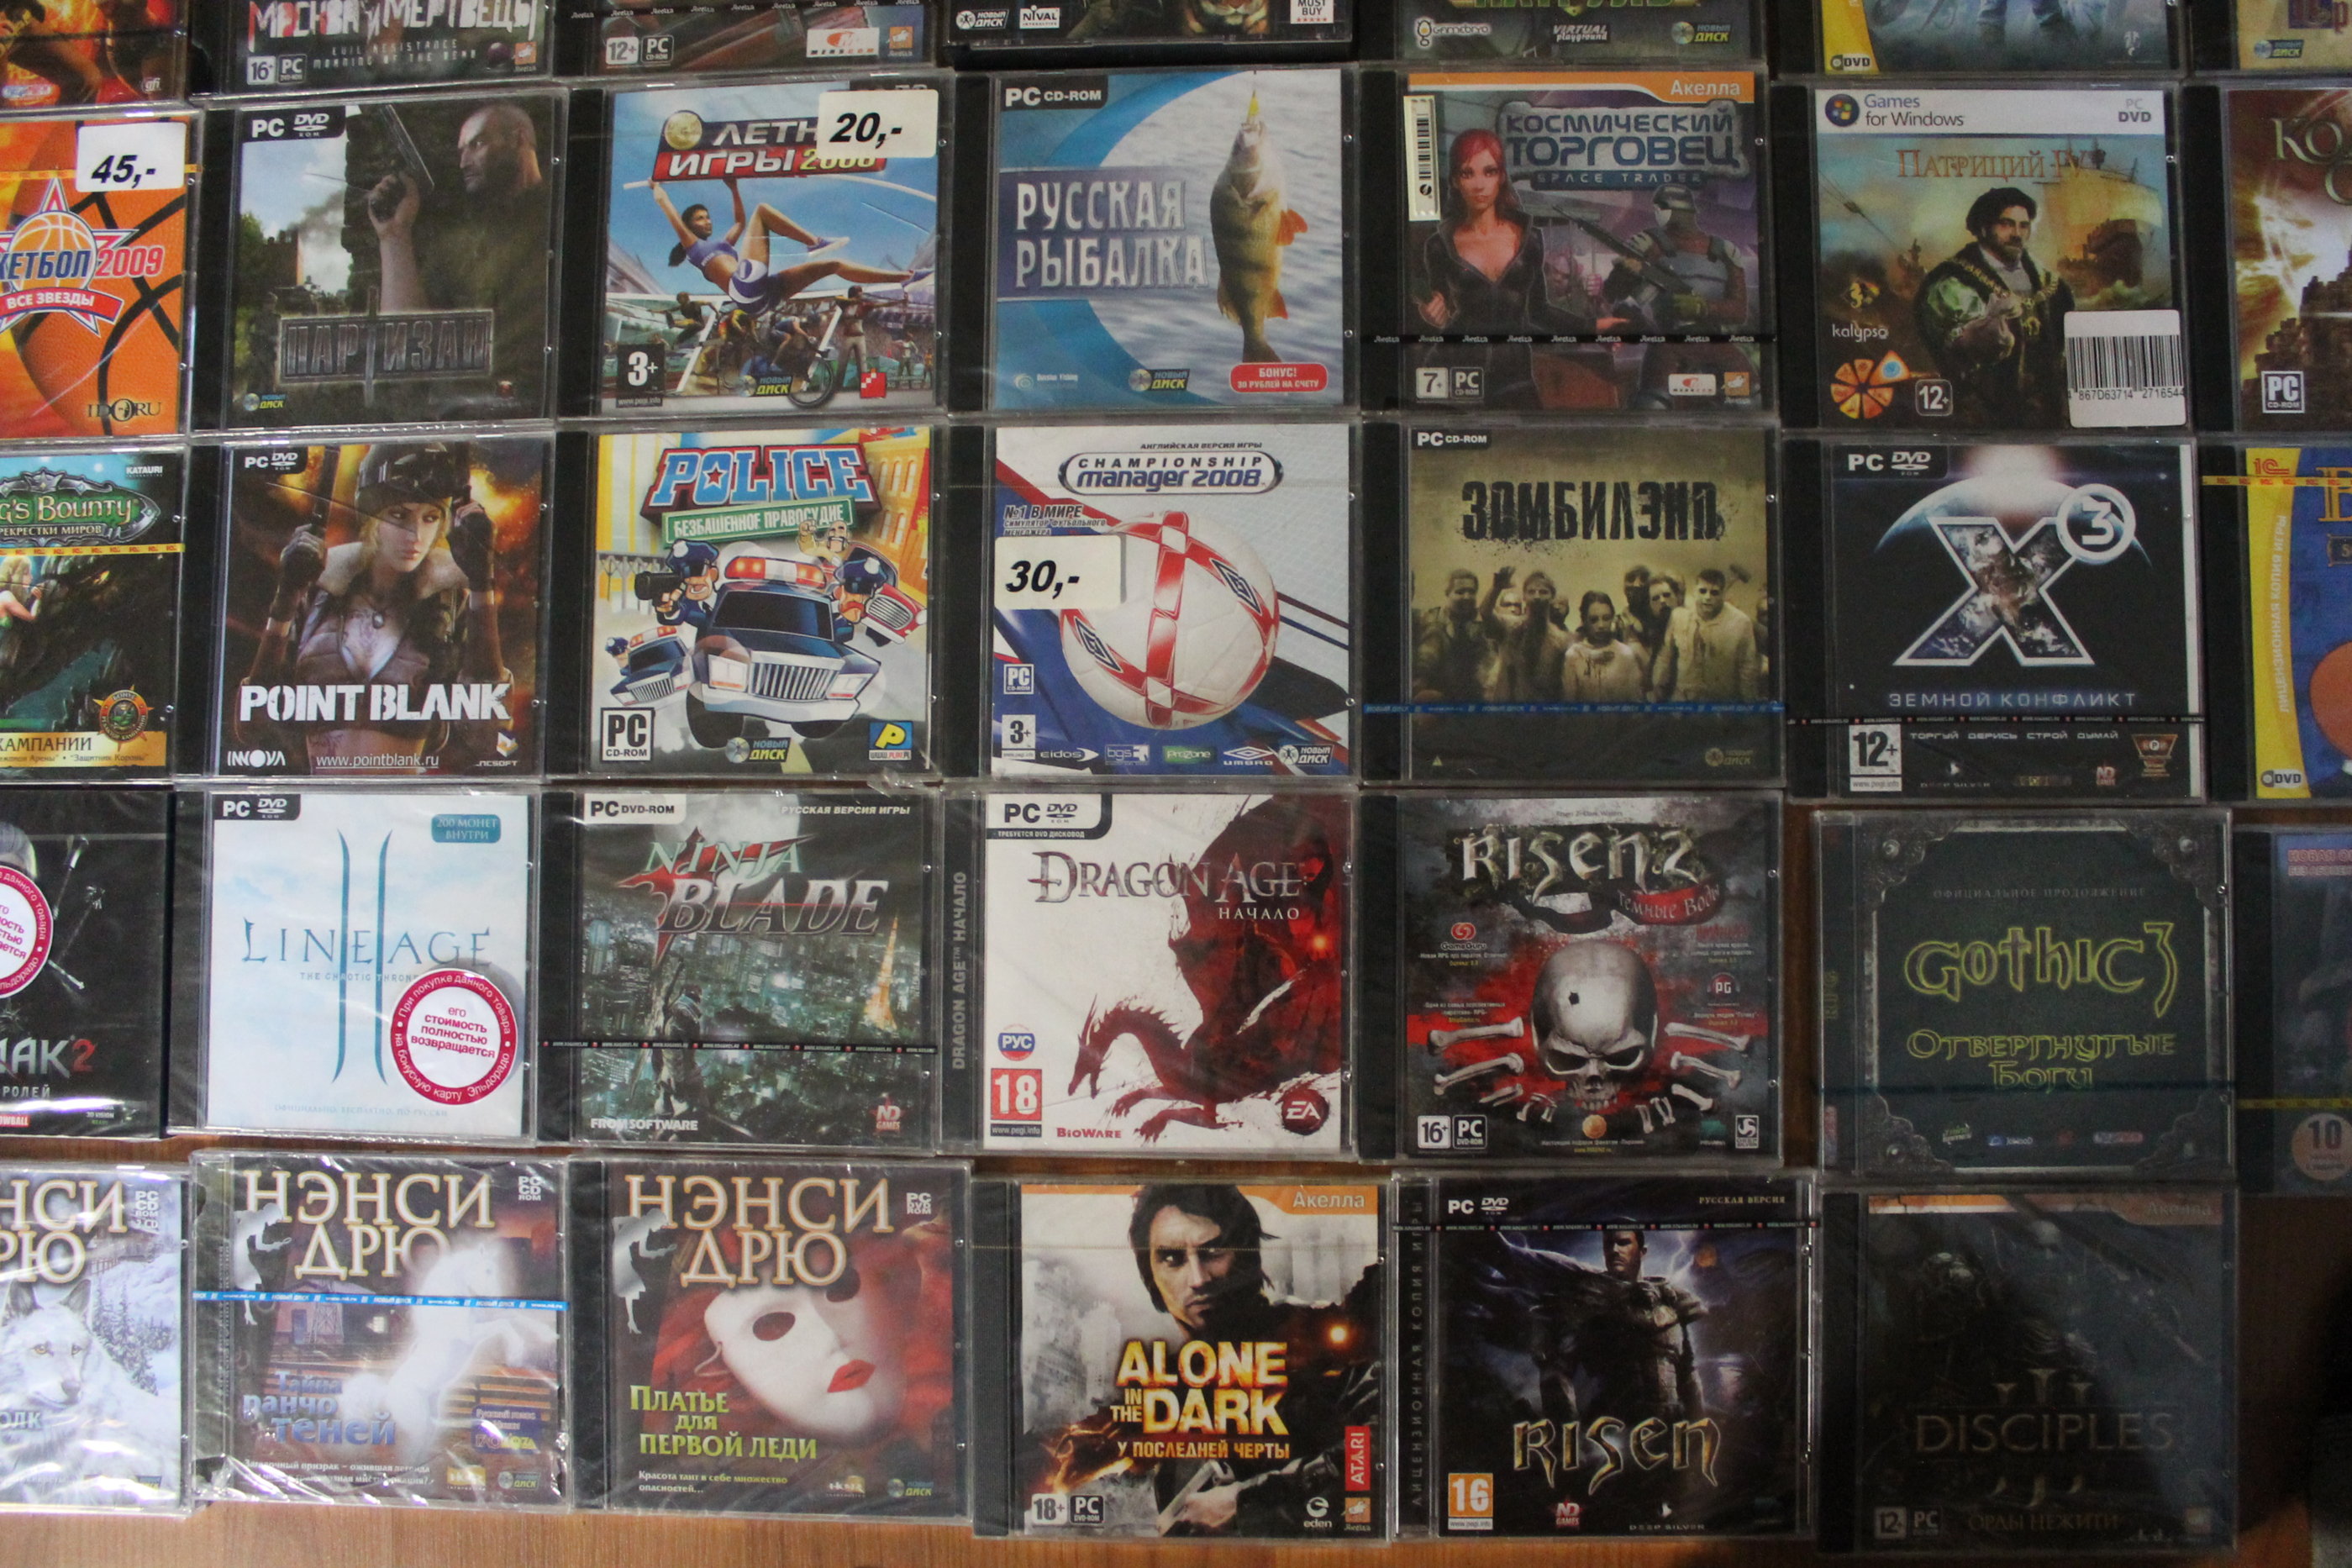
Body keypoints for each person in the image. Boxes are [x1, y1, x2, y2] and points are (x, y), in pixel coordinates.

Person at [239, 443, 513, 774]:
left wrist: (483, 584)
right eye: (399, 515)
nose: (415, 535)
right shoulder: (318, 592)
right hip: (319, 795)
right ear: (372, 518)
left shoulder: (450, 601)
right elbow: (253, 724)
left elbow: (486, 733)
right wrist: (285, 599)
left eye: (430, 518)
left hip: (404, 797)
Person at [1122, 1184, 1378, 1535]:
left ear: (1245, 1255)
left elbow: (1384, 1450)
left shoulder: (1315, 1338)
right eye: (1172, 1259)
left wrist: (1247, 1502)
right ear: (1150, 1274)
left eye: (1213, 1252)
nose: (1198, 1280)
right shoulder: (1167, 1388)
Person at [366, 103, 554, 404]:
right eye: (461, 151)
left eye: (477, 144)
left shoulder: (562, 217)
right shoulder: (458, 241)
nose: (464, 162)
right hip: (461, 414)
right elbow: (405, 344)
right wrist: (394, 236)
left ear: (519, 139)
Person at [653, 176, 918, 324]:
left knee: (834, 265)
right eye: (700, 219)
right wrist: (657, 188)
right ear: (689, 226)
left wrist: (733, 188)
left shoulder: (721, 245)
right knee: (762, 211)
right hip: (744, 289)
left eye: (708, 216)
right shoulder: (693, 248)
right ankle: (813, 242)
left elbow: (740, 223)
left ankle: (906, 278)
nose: (707, 221)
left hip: (763, 298)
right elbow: (668, 208)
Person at [1914, 186, 2075, 426]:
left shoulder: (2052, 285)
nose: (2017, 234)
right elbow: (1954, 347)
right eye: (2006, 224)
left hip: (2047, 419)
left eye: (2024, 226)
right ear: (1983, 228)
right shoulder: (1951, 282)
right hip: (1980, 417)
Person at [1650, 568, 1761, 703]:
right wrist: (1657, 688)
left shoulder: (1741, 623)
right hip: (1682, 702)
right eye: (1703, 591)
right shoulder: (1679, 616)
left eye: (1714, 593)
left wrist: (1749, 704)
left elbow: (1748, 668)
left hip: (1720, 704)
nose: (1708, 597)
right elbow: (1664, 656)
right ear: (1694, 591)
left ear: (1723, 594)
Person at [1478, 571, 1566, 703]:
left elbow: (1561, 685)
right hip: (1507, 707)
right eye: (1531, 592)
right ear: (1524, 596)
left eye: (1543, 592)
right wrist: (1496, 588)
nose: (1537, 596)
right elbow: (1485, 612)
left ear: (1552, 597)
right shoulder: (1510, 627)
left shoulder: (1560, 639)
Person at [1413, 568, 1489, 704]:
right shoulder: (1433, 620)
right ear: (1447, 593)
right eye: (1460, 592)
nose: (1467, 597)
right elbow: (1427, 658)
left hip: (1474, 699)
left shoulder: (1482, 623)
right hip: (1438, 696)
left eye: (1471, 592)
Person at [1560, 591, 1649, 703]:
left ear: (1612, 618)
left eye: (1606, 618)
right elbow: (1569, 704)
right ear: (1584, 621)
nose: (1601, 625)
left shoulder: (1625, 654)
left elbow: (1635, 702)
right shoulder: (1574, 655)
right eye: (1594, 620)